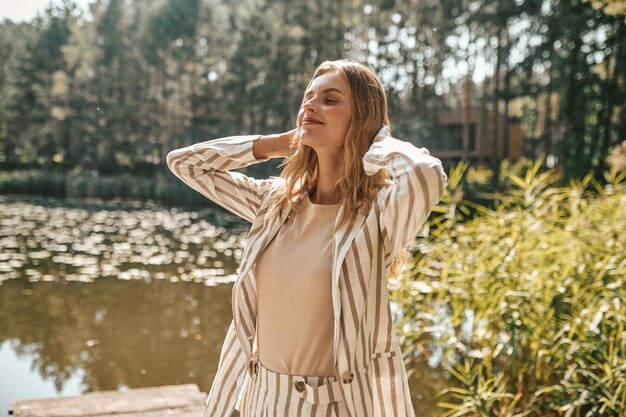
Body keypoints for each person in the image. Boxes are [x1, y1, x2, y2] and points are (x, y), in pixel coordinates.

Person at [166, 59, 448, 417]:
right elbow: (185, 164)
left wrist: (376, 145)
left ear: (361, 119)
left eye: (330, 99)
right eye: (308, 98)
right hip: (262, 400)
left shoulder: (378, 214)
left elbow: (426, 175)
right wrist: (272, 144)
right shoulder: (276, 201)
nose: (310, 106)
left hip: (329, 407)